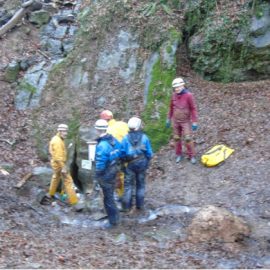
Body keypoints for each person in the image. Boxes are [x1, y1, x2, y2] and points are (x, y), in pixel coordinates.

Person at [121, 117, 153, 212]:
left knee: (128, 186)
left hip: (129, 164)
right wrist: (147, 160)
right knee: (140, 185)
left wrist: (123, 162)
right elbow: (149, 153)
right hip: (142, 163)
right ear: (138, 126)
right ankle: (140, 205)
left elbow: (122, 153)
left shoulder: (125, 138)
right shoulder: (144, 137)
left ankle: (127, 207)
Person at [94, 119, 121, 229]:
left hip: (106, 174)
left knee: (108, 198)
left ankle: (113, 222)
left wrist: (96, 175)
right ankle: (115, 217)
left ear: (97, 129)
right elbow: (120, 151)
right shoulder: (113, 140)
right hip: (114, 170)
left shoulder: (102, 145)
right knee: (110, 196)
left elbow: (100, 163)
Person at [166, 77, 198, 164]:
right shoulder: (173, 95)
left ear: (183, 85)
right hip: (176, 121)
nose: (177, 89)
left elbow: (193, 108)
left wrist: (194, 121)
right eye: (175, 88)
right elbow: (171, 107)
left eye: (179, 87)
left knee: (188, 138)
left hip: (185, 121)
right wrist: (168, 118)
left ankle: (191, 155)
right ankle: (178, 154)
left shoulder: (189, 95)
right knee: (176, 138)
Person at [100, 110, 129, 200]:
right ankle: (129, 196)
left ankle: (122, 197)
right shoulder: (123, 124)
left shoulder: (108, 131)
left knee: (120, 176)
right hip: (130, 153)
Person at [48, 124, 78, 205]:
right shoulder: (57, 141)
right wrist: (63, 167)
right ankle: (74, 201)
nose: (66, 133)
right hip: (59, 165)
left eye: (66, 131)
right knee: (68, 181)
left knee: (56, 177)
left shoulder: (57, 139)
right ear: (59, 131)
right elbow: (58, 157)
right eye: (64, 131)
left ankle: (50, 194)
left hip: (56, 164)